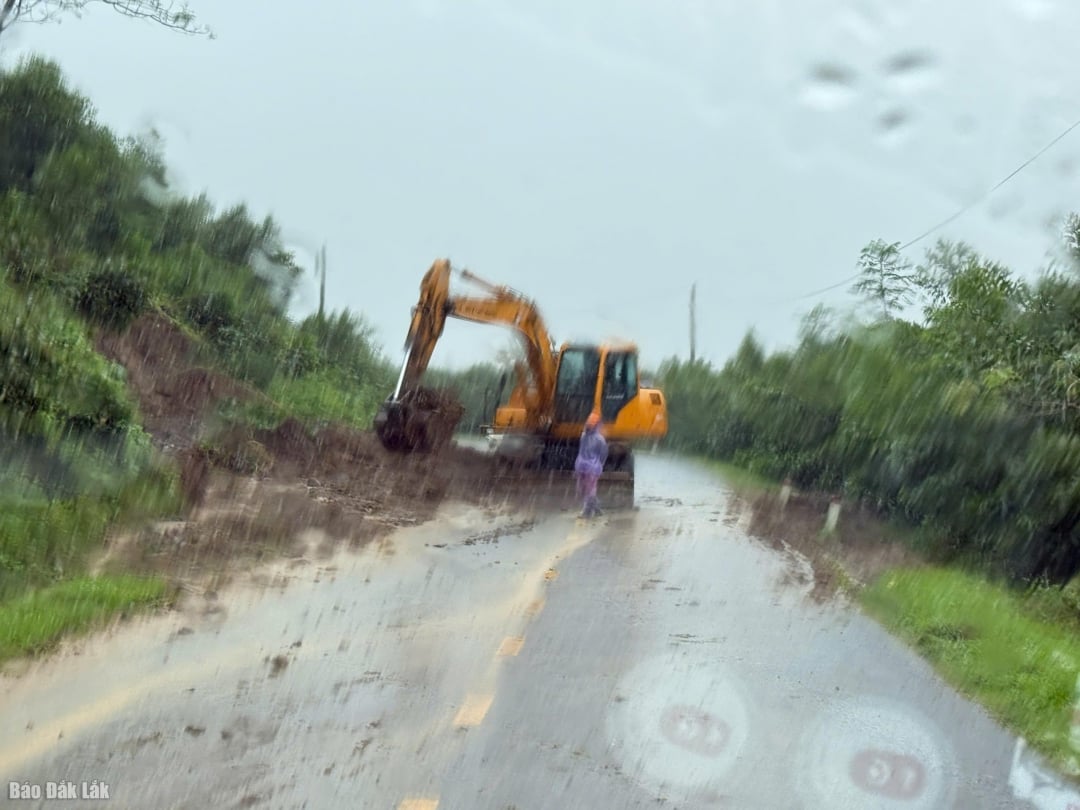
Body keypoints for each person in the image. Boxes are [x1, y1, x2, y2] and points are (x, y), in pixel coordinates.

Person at [575, 411, 608, 518]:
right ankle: (596, 509)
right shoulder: (597, 438)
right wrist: (599, 464)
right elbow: (603, 454)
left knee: (588, 489)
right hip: (589, 467)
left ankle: (586, 511)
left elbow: (601, 453)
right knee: (587, 489)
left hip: (587, 467)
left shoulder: (588, 437)